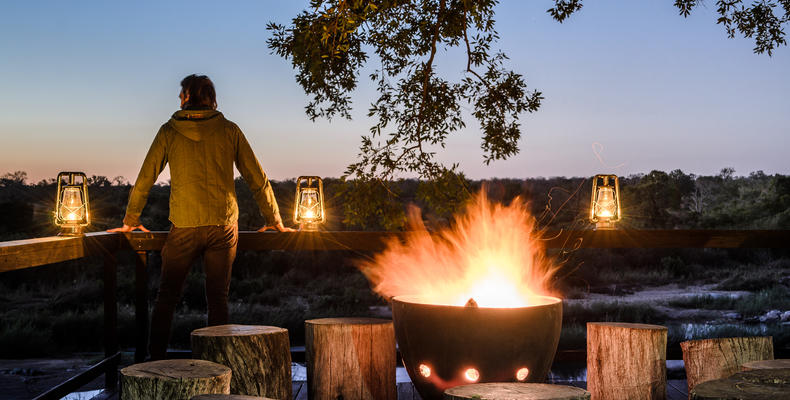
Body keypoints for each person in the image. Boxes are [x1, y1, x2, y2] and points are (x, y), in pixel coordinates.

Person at [109, 74, 293, 360]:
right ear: (211, 97)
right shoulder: (229, 130)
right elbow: (257, 177)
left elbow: (146, 178)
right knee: (218, 299)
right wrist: (274, 218)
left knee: (167, 297)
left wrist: (131, 219)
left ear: (186, 97)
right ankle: (217, 366)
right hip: (223, 226)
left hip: (183, 226)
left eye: (180, 94)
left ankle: (154, 362)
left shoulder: (168, 131)